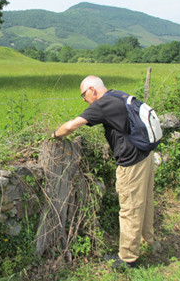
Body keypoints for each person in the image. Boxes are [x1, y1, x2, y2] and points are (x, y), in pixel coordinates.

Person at [51, 75, 157, 268]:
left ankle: (128, 258)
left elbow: (71, 126)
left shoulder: (102, 105)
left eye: (83, 95)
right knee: (145, 200)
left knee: (130, 208)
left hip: (131, 163)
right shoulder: (118, 95)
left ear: (92, 89)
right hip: (145, 155)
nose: (84, 99)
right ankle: (148, 240)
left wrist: (53, 135)